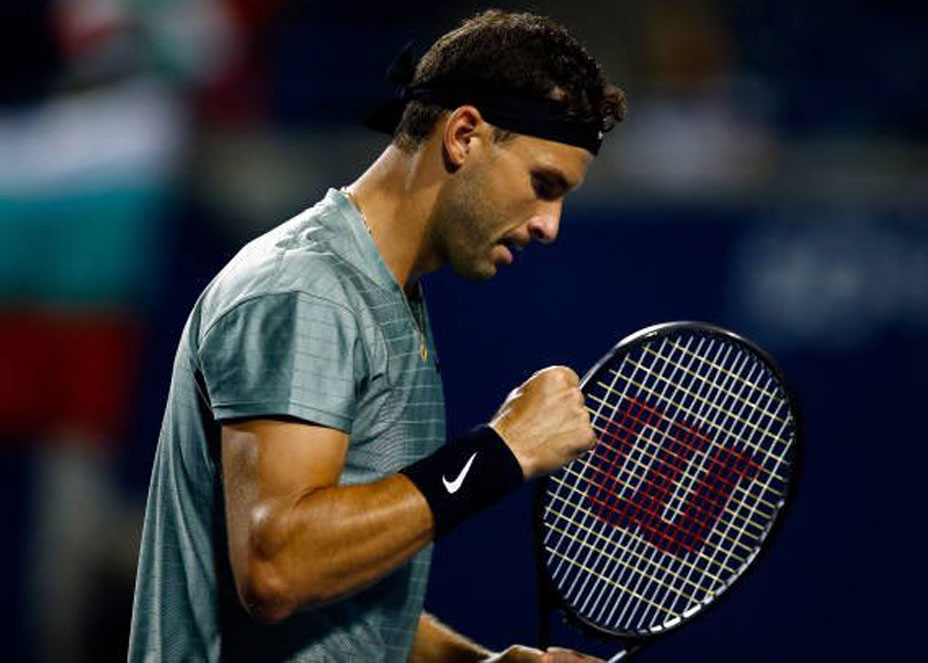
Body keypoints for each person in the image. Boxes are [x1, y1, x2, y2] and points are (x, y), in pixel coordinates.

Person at [128, 9, 626, 662]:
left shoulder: (384, 294)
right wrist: (499, 453)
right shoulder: (306, 289)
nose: (549, 226)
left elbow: (340, 597)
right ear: (465, 135)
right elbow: (277, 567)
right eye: (543, 184)